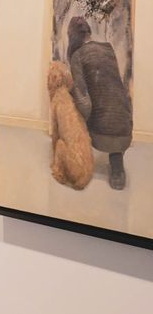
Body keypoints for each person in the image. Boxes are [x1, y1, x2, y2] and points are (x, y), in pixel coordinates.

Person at [66, 15, 132, 190]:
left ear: (72, 37)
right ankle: (117, 165)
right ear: (89, 31)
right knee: (111, 105)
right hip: (125, 124)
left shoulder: (77, 57)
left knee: (77, 104)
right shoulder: (108, 49)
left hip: (102, 129)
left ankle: (77, 160)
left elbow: (85, 104)